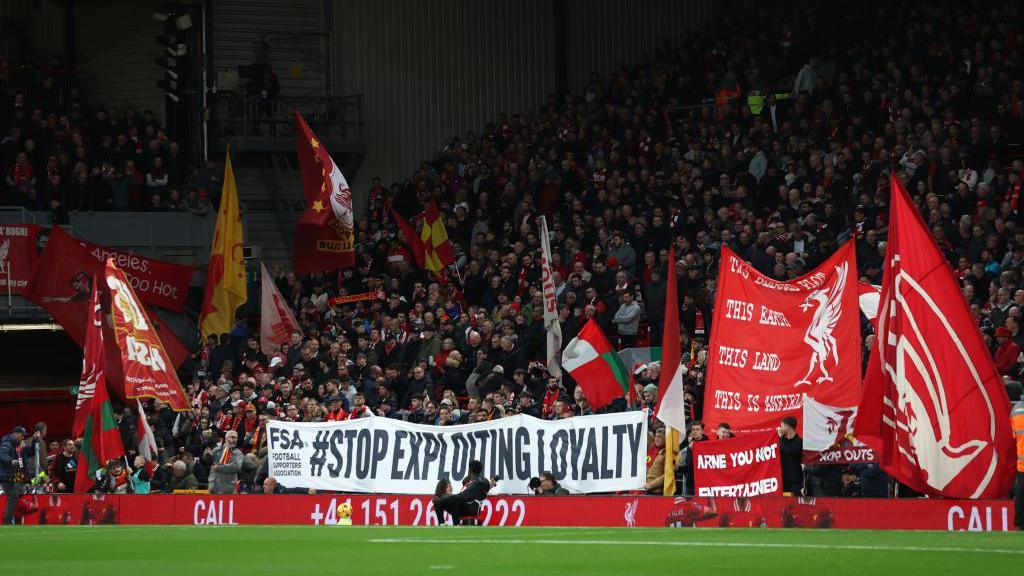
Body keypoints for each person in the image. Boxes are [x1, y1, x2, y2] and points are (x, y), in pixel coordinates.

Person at [432, 460, 495, 525]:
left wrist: (443, 498)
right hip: (463, 505)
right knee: (437, 498)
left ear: (469, 470)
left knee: (451, 499)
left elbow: (463, 496)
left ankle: (456, 524)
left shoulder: (477, 482)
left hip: (470, 508)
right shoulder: (476, 481)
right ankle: (442, 524)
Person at [0, 426, 31, 524]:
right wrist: (11, 461)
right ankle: (6, 522)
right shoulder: (7, 443)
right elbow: (2, 455)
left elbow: (30, 453)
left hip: (17, 477)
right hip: (8, 476)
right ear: (16, 433)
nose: (23, 438)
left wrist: (35, 441)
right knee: (13, 496)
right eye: (22, 435)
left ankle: (11, 521)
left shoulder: (18, 445)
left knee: (16, 497)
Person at [208, 430, 243, 494]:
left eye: (236, 438)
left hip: (228, 488)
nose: (234, 439)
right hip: (214, 486)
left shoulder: (238, 453)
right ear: (226, 438)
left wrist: (219, 467)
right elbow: (207, 460)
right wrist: (206, 454)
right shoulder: (217, 450)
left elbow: (236, 467)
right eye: (232, 437)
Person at [778, 416, 804, 495]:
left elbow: (790, 450)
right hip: (783, 482)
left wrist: (781, 437)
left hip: (795, 483)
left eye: (782, 426)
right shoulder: (783, 441)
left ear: (788, 426)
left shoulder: (799, 441)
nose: (780, 428)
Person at [1012, 398, 1024, 531]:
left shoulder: (1016, 410)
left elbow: (1014, 435)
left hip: (1022, 465)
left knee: (1021, 496)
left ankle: (1019, 525)